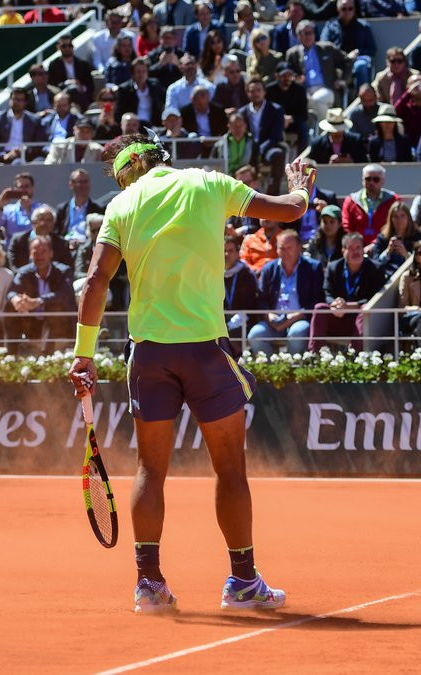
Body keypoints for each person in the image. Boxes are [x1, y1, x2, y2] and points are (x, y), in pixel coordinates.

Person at [70, 133, 318, 613]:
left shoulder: (121, 207)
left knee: (150, 469)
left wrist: (84, 353)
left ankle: (149, 586)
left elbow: (97, 279)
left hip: (150, 356)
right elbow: (288, 211)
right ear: (156, 156)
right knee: (230, 468)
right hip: (204, 350)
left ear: (126, 172)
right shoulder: (206, 183)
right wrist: (301, 188)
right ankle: (243, 583)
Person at [309, 232, 386, 352]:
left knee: (365, 309)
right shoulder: (333, 267)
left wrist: (349, 306)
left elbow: (374, 298)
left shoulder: (376, 269)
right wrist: (335, 304)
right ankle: (313, 355)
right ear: (343, 251)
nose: (355, 252)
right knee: (320, 308)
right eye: (350, 248)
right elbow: (327, 293)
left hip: (360, 321)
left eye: (358, 248)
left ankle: (357, 356)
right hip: (338, 316)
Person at [285, 20, 348, 122]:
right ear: (298, 36)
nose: (309, 36)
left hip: (327, 88)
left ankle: (324, 132)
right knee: (306, 101)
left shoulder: (327, 48)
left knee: (316, 100)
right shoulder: (293, 54)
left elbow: (347, 61)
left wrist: (343, 79)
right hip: (305, 91)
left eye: (311, 32)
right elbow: (288, 73)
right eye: (305, 33)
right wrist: (295, 79)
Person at [0, 87, 49, 164]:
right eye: (15, 99)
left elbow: (38, 144)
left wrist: (22, 151)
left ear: (25, 102)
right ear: (10, 100)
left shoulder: (34, 120)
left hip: (26, 155)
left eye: (20, 100)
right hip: (3, 155)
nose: (17, 102)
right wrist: (3, 155)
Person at [320, 0, 375, 91]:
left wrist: (358, 52)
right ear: (338, 9)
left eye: (350, 8)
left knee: (361, 65)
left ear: (354, 9)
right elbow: (323, 45)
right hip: (337, 62)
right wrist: (341, 56)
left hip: (356, 60)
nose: (347, 11)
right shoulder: (330, 26)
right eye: (344, 9)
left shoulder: (364, 26)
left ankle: (361, 99)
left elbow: (372, 49)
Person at [342, 164, 398, 242]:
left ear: (383, 181)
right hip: (356, 248)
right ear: (362, 180)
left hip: (384, 245)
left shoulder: (393, 200)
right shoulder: (351, 200)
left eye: (376, 179)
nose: (371, 182)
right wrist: (357, 246)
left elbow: (396, 226)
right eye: (368, 179)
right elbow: (347, 227)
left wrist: (376, 244)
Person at [221, 235, 261, 344]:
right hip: (222, 321)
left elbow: (251, 304)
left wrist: (231, 323)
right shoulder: (214, 274)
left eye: (230, 251)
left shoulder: (247, 274)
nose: (226, 254)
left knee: (233, 335)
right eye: (224, 250)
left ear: (238, 253)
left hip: (244, 321)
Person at [9, 205, 74, 269]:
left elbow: (67, 268)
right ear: (33, 222)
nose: (44, 223)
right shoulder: (18, 240)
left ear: (53, 224)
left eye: (49, 220)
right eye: (41, 219)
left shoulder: (62, 244)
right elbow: (12, 266)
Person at [367, 201, 421, 277]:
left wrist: (406, 254)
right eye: (395, 216)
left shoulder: (416, 236)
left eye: (403, 216)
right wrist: (388, 252)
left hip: (410, 276)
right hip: (387, 277)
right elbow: (376, 263)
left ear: (408, 218)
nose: (399, 220)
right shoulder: (383, 237)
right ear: (391, 219)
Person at [0, 173, 47, 245]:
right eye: (20, 187)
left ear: (32, 188)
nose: (23, 190)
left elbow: (43, 229)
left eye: (26, 186)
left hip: (35, 248)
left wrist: (29, 210)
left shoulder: (42, 209)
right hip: (12, 250)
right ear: (16, 189)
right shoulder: (8, 210)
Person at [306, 205, 345, 269]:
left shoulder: (345, 244)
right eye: (325, 222)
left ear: (340, 223)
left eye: (332, 222)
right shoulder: (315, 242)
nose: (328, 225)